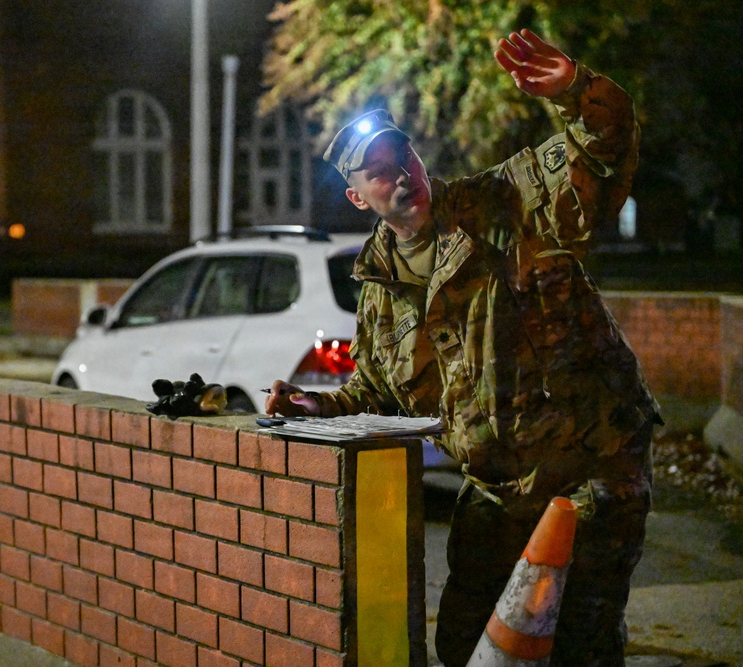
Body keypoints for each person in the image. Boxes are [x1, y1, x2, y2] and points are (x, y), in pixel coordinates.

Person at [265, 28, 661, 667]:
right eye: (380, 173)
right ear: (357, 197)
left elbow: (602, 156)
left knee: (576, 639)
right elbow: (377, 390)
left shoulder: (502, 203)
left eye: (406, 159)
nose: (402, 177)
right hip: (498, 485)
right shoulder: (380, 289)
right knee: (463, 642)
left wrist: (577, 92)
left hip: (592, 465)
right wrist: (316, 409)